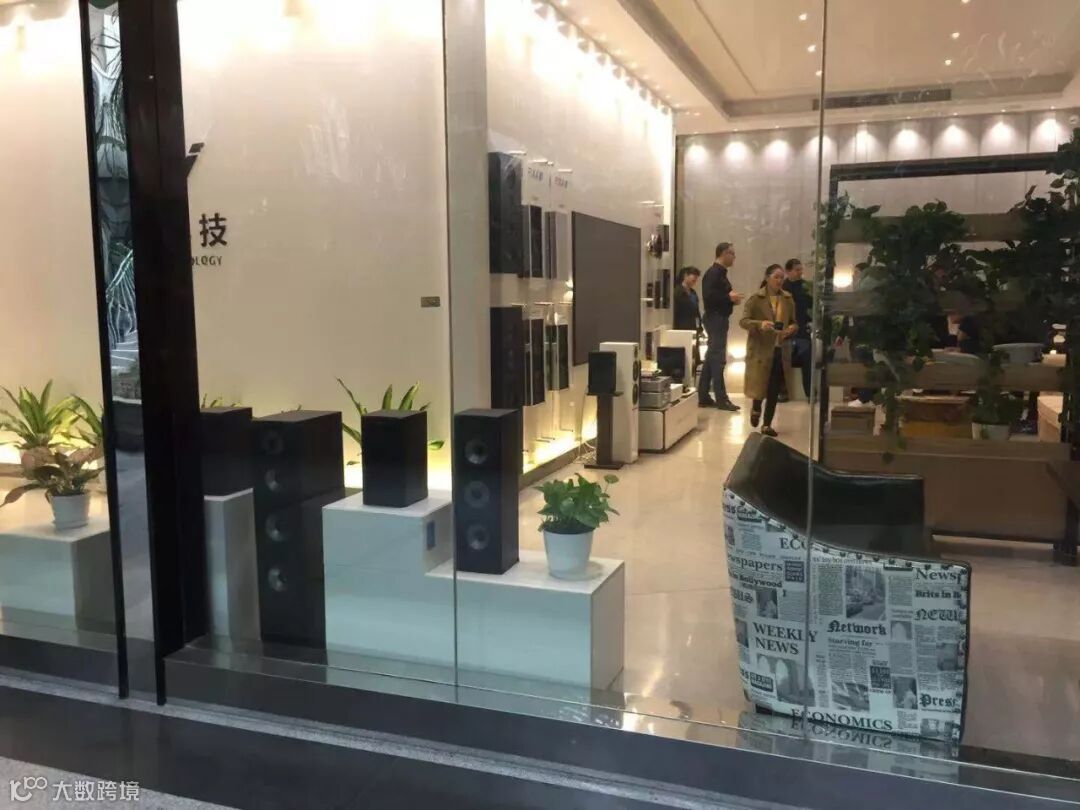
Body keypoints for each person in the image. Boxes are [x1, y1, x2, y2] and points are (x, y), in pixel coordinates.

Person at [740, 264, 797, 436]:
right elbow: (743, 321)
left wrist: (792, 328)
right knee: (760, 384)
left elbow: (794, 321)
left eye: (781, 277)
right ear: (767, 278)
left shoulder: (787, 298)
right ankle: (756, 407)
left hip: (780, 347)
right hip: (761, 349)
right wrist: (760, 324)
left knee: (774, 388)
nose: (779, 281)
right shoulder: (756, 299)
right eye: (776, 277)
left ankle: (767, 424)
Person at [699, 243, 744, 411]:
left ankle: (704, 395)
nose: (734, 257)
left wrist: (731, 299)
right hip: (715, 318)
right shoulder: (713, 273)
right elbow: (709, 297)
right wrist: (729, 298)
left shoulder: (720, 274)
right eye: (732, 253)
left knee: (712, 358)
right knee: (717, 360)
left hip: (718, 318)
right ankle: (722, 399)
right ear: (724, 253)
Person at [783, 258, 813, 398]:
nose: (800, 272)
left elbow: (811, 307)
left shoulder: (806, 287)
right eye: (797, 270)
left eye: (801, 269)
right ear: (788, 271)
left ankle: (810, 393)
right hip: (785, 331)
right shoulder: (783, 287)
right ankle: (783, 392)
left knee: (807, 360)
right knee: (782, 361)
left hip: (802, 330)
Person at [673, 266, 702, 331]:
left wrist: (699, 326)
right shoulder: (677, 292)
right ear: (686, 275)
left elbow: (696, 312)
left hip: (693, 327)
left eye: (696, 277)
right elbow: (675, 312)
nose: (695, 278)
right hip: (681, 327)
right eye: (694, 275)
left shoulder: (693, 293)